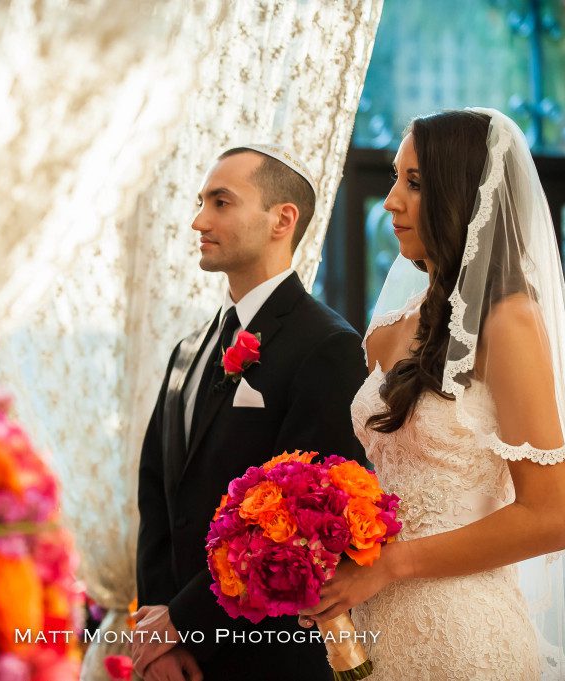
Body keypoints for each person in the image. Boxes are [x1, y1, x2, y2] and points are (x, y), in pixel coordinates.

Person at [299, 108, 565, 679]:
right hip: (371, 620)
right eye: (394, 178)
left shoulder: (507, 321)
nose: (390, 201)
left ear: (461, 195)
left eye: (414, 183)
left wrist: (392, 565)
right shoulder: (390, 329)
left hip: (463, 634)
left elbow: (550, 517)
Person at [133, 144, 368, 680]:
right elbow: (157, 497)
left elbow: (305, 525)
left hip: (266, 658)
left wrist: (186, 625)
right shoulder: (188, 350)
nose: (199, 220)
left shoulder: (327, 346)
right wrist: (158, 637)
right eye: (201, 202)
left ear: (281, 219)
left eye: (220, 202)